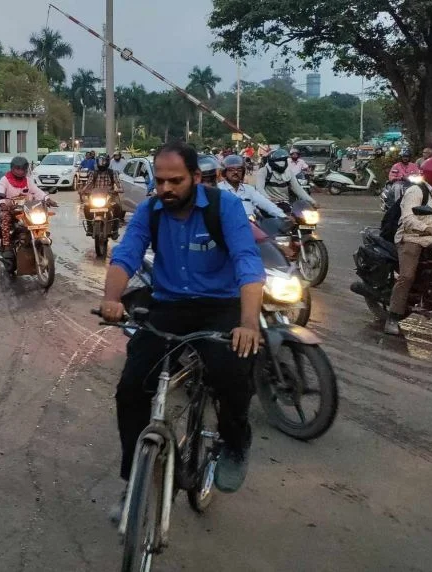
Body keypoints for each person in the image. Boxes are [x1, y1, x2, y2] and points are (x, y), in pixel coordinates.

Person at [101, 142, 265, 521]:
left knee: (231, 374)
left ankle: (236, 443)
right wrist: (111, 298)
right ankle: (133, 480)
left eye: (175, 181)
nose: (166, 189)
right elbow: (126, 254)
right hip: (170, 304)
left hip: (220, 306)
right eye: (159, 181)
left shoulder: (224, 208)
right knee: (131, 388)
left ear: (195, 177)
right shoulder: (151, 210)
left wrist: (248, 323)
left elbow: (246, 260)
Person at [385, 155, 432, 336]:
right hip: (412, 238)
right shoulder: (416, 192)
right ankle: (392, 318)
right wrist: (427, 228)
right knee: (407, 277)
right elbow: (408, 219)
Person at [0, 156, 54, 257]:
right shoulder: (5, 180)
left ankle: (40, 237)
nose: (20, 171)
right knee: (5, 218)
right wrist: (2, 204)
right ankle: (6, 245)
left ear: (26, 170)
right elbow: (0, 191)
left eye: (23, 169)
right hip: (10, 209)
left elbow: (36, 191)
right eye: (17, 169)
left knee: (41, 219)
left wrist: (47, 199)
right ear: (12, 168)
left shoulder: (28, 180)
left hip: (27, 209)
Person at [219, 155, 286, 218]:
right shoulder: (218, 189)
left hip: (251, 227)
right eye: (231, 169)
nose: (236, 172)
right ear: (225, 172)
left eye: (239, 170)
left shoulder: (249, 189)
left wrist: (283, 216)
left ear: (243, 172)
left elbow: (266, 204)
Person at [81, 153, 125, 228]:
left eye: (104, 161)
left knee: (117, 207)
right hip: (96, 197)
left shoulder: (112, 173)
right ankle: (89, 226)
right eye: (100, 161)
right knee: (86, 207)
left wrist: (118, 189)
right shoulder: (93, 173)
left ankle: (115, 227)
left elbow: (119, 185)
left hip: (109, 197)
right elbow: (88, 184)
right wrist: (83, 190)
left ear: (107, 162)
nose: (102, 163)